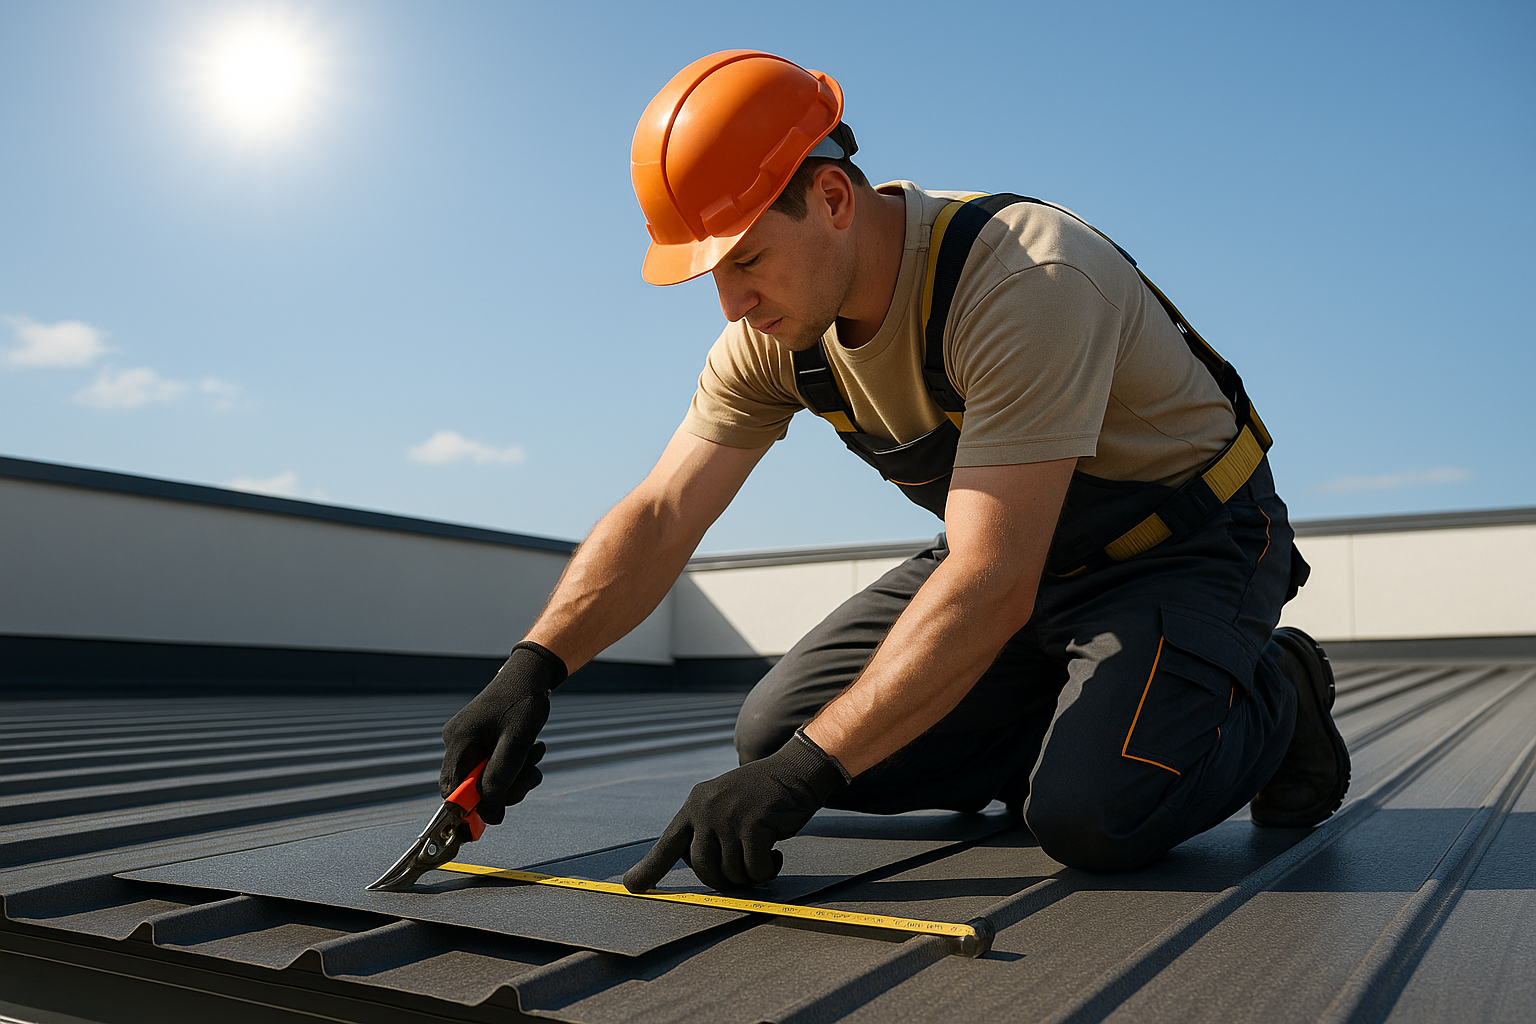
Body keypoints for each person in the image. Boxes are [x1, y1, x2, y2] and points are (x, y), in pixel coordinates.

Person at [437, 50, 1351, 893]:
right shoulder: (774, 336)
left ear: (833, 199)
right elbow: (665, 510)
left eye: (746, 259)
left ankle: (1276, 687)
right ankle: (1086, 718)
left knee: (1090, 816)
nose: (732, 301)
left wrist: (807, 774)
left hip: (1183, 550)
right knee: (772, 733)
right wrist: (534, 668)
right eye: (710, 272)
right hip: (1016, 562)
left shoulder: (1022, 279)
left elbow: (991, 577)